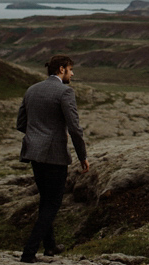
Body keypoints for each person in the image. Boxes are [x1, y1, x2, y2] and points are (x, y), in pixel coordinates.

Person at [16, 55, 90, 263]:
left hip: (34, 153)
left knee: (45, 200)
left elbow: (21, 123)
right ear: (61, 69)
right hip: (54, 156)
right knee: (52, 204)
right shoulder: (65, 92)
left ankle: (50, 247)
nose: (72, 73)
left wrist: (37, 134)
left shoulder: (32, 89)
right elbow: (75, 128)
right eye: (70, 69)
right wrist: (82, 156)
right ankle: (29, 253)